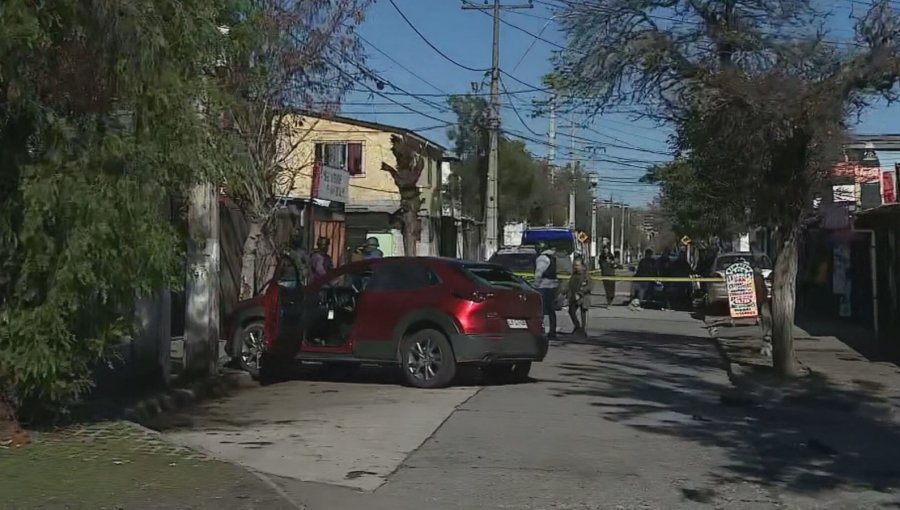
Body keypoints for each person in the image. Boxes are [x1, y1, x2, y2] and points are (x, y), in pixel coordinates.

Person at [533, 241, 560, 340]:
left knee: (540, 310)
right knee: (551, 310)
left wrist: (535, 285)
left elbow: (539, 273)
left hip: (543, 286)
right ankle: (552, 331)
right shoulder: (552, 257)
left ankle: (539, 331)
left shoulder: (542, 259)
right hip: (552, 286)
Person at [567, 259, 592, 335]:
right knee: (571, 311)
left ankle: (583, 329)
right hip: (574, 297)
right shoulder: (574, 275)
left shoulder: (585, 275)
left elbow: (589, 286)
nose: (576, 267)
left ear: (582, 266)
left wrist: (581, 292)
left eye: (577, 265)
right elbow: (570, 285)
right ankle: (577, 326)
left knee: (583, 312)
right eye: (575, 265)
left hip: (583, 297)